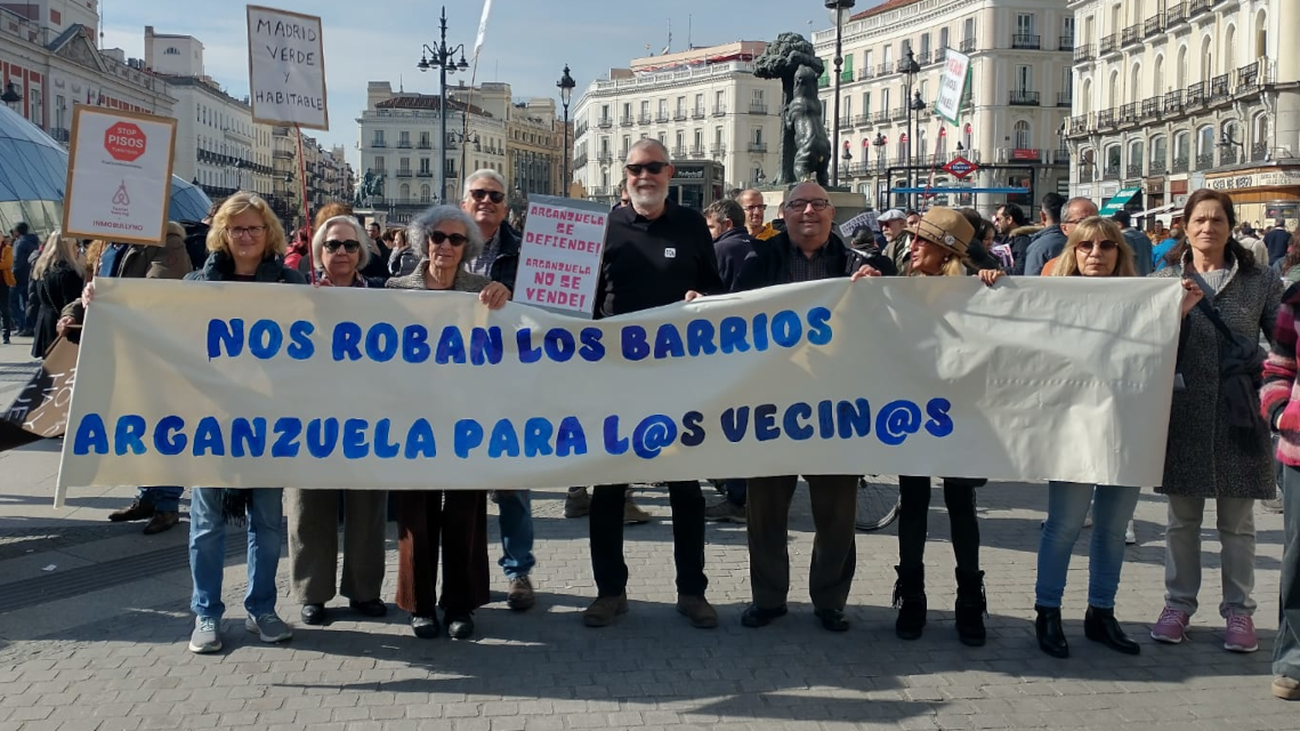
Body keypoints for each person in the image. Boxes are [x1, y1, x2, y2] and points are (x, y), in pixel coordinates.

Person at [1029, 216, 1203, 658]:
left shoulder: (1139, 299)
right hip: (1069, 427)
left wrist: (1176, 313)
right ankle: (1047, 612)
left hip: (1125, 424)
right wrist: (991, 280)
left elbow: (1156, 354)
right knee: (1064, 525)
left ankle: (1101, 613)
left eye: (1106, 247)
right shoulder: (1049, 296)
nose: (1095, 254)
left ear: (1119, 254)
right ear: (1073, 251)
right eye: (1086, 246)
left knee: (1111, 527)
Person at [730, 181, 892, 632]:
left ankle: (830, 600)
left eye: (818, 205)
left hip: (836, 408)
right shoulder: (758, 261)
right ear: (784, 214)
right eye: (798, 204)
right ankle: (767, 598)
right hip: (772, 404)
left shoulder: (862, 264)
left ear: (831, 214)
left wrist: (881, 292)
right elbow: (732, 319)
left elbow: (894, 326)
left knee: (837, 513)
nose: (808, 212)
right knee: (765, 511)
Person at [582, 138, 725, 630]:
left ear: (669, 173)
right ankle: (610, 592)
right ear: (624, 176)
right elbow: (577, 299)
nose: (645, 175)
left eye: (654, 167)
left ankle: (692, 591)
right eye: (636, 168)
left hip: (676, 376)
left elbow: (717, 290)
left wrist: (701, 296)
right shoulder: (603, 226)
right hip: (614, 375)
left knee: (687, 489)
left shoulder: (689, 225)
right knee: (609, 489)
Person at [1149, 189, 1282, 653]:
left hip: (1240, 414)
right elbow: (1146, 346)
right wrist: (1177, 315)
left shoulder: (1260, 279)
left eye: (1217, 220)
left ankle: (1239, 612)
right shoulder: (1164, 277)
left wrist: (1270, 383)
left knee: (1237, 522)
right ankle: (1178, 604)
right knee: (1181, 520)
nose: (1208, 228)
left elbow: (1282, 339)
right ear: (1185, 227)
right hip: (1182, 411)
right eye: (1200, 220)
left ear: (1230, 227)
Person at [180, 191, 307, 654]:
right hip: (212, 421)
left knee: (268, 524)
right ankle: (206, 614)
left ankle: (261, 608)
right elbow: (150, 320)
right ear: (223, 233)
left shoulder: (291, 282)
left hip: (270, 423)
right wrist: (89, 301)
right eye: (237, 229)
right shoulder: (197, 283)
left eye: (254, 228)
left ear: (268, 232)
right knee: (206, 524)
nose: (246, 236)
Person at [385, 205, 510, 639]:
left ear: (468, 247)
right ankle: (420, 605)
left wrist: (503, 297)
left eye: (457, 240)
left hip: (465, 422)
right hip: (411, 421)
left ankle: (460, 604)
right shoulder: (395, 289)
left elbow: (510, 336)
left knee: (464, 515)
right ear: (424, 241)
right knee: (415, 517)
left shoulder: (481, 290)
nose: (445, 246)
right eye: (438, 237)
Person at [892, 207, 995, 647]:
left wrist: (995, 288)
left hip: (962, 410)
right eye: (912, 240)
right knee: (913, 500)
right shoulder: (897, 288)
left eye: (920, 241)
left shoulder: (976, 289)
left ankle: (969, 597)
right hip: (911, 406)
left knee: (960, 502)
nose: (910, 247)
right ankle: (911, 594)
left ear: (945, 251)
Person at [286, 215, 388, 627]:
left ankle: (365, 591)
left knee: (368, 507)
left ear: (362, 251)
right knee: (309, 504)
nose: (341, 252)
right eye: (331, 246)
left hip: (368, 415)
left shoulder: (385, 296)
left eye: (349, 245)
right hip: (310, 414)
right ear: (318, 253)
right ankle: (313, 593)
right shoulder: (297, 294)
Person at [455, 168, 535, 612]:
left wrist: (515, 295)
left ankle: (518, 570)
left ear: (506, 207)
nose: (486, 201)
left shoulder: (525, 254)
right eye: (478, 194)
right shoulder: (438, 244)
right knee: (457, 488)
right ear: (463, 200)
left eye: (495, 196)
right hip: (450, 388)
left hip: (507, 385)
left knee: (513, 488)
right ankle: (464, 575)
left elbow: (548, 308)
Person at [89, 227, 193, 535]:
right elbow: (91, 289)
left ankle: (167, 505)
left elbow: (160, 289)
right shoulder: (109, 245)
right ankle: (147, 496)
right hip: (120, 346)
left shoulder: (167, 241)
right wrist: (73, 310)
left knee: (164, 426)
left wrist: (109, 299)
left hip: (155, 350)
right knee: (137, 423)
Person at [1260, 280, 1300, 701]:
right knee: (1299, 558)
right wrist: (1277, 412)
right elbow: (1279, 365)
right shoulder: (1297, 300)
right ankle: (1294, 660)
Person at [26, 230, 84, 358]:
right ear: (68, 247)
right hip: (64, 325)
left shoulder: (41, 270)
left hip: (45, 323)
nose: (78, 249)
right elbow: (70, 303)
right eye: (75, 245)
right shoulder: (69, 274)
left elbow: (33, 297)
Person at [1031, 197, 1098, 276]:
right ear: (1065, 228)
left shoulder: (1111, 260)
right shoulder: (1052, 268)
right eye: (1081, 222)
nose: (1090, 227)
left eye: (1095, 221)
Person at [704, 198, 756, 293]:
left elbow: (711, 290)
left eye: (711, 227)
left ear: (728, 224)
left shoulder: (719, 250)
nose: (707, 232)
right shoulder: (760, 245)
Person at [311, 215, 371, 287]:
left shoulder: (380, 289)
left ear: (360, 252)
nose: (342, 252)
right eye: (333, 245)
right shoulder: (301, 284)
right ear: (319, 251)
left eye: (350, 245)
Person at [9, 222, 38, 336]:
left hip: (19, 277)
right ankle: (29, 326)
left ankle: (21, 324)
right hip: (30, 276)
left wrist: (12, 276)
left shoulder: (20, 243)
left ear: (17, 232)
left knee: (10, 301)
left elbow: (17, 261)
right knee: (28, 302)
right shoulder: (34, 242)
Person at [992, 202, 1037, 274]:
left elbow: (1020, 270)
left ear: (1009, 219)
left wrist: (998, 270)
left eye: (999, 219)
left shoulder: (1022, 241)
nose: (996, 224)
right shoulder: (1007, 239)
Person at [1112, 210, 1153, 276]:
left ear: (1119, 224)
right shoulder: (1144, 237)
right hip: (1146, 277)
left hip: (1130, 279)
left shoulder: (1122, 239)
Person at [879, 209, 911, 273]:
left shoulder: (911, 241)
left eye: (887, 224)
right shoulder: (889, 245)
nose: (883, 228)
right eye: (881, 225)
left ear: (902, 223)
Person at [0, 233, 13, 344]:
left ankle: (6, 334)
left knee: (4, 309)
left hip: (4, 283)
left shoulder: (7, 249)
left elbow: (6, 264)